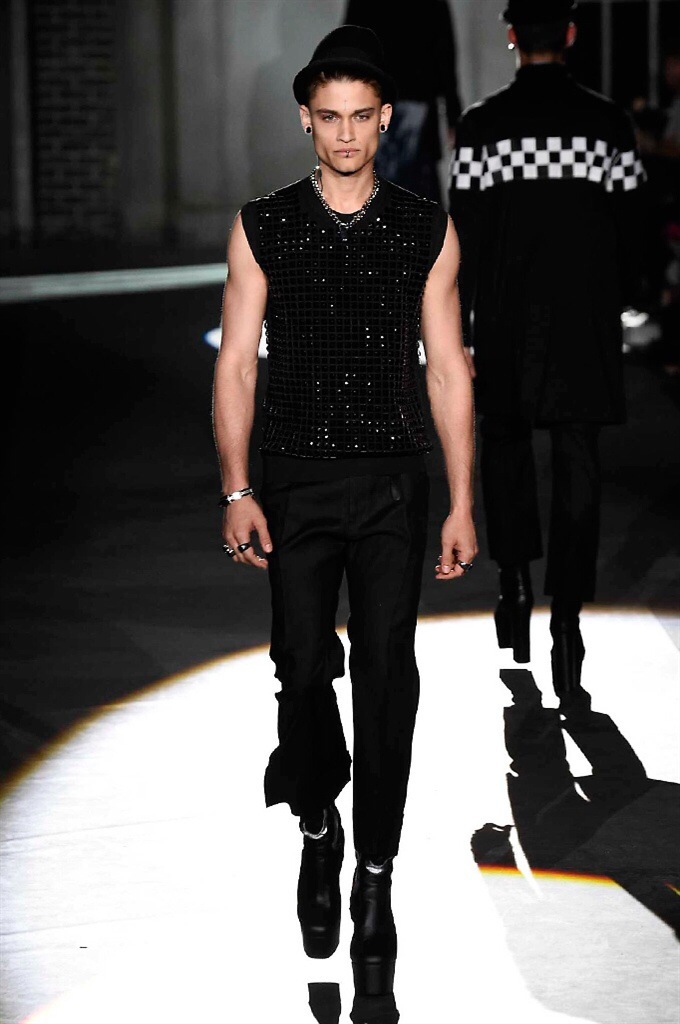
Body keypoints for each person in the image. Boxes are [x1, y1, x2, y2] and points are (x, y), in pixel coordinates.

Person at [212, 25, 476, 997]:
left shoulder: (425, 228)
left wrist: (462, 499)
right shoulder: (263, 225)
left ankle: (374, 879)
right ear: (305, 120)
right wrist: (236, 486)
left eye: (362, 117)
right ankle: (317, 823)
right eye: (330, 118)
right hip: (293, 479)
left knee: (386, 680)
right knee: (299, 668)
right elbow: (236, 364)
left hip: (394, 483)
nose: (347, 134)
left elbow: (447, 368)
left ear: (386, 118)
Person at [448, 0, 646, 703]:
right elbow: (633, 225)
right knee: (577, 465)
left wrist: (459, 329)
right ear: (570, 34)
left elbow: (463, 233)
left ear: (511, 36)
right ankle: (567, 620)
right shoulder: (607, 123)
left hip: (506, 321)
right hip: (583, 323)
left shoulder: (482, 126)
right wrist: (631, 301)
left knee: (505, 452)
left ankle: (514, 584)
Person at [343, 0, 462, 204]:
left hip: (375, 105)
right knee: (417, 196)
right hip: (416, 102)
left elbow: (349, 50)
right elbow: (444, 54)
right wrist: (453, 114)